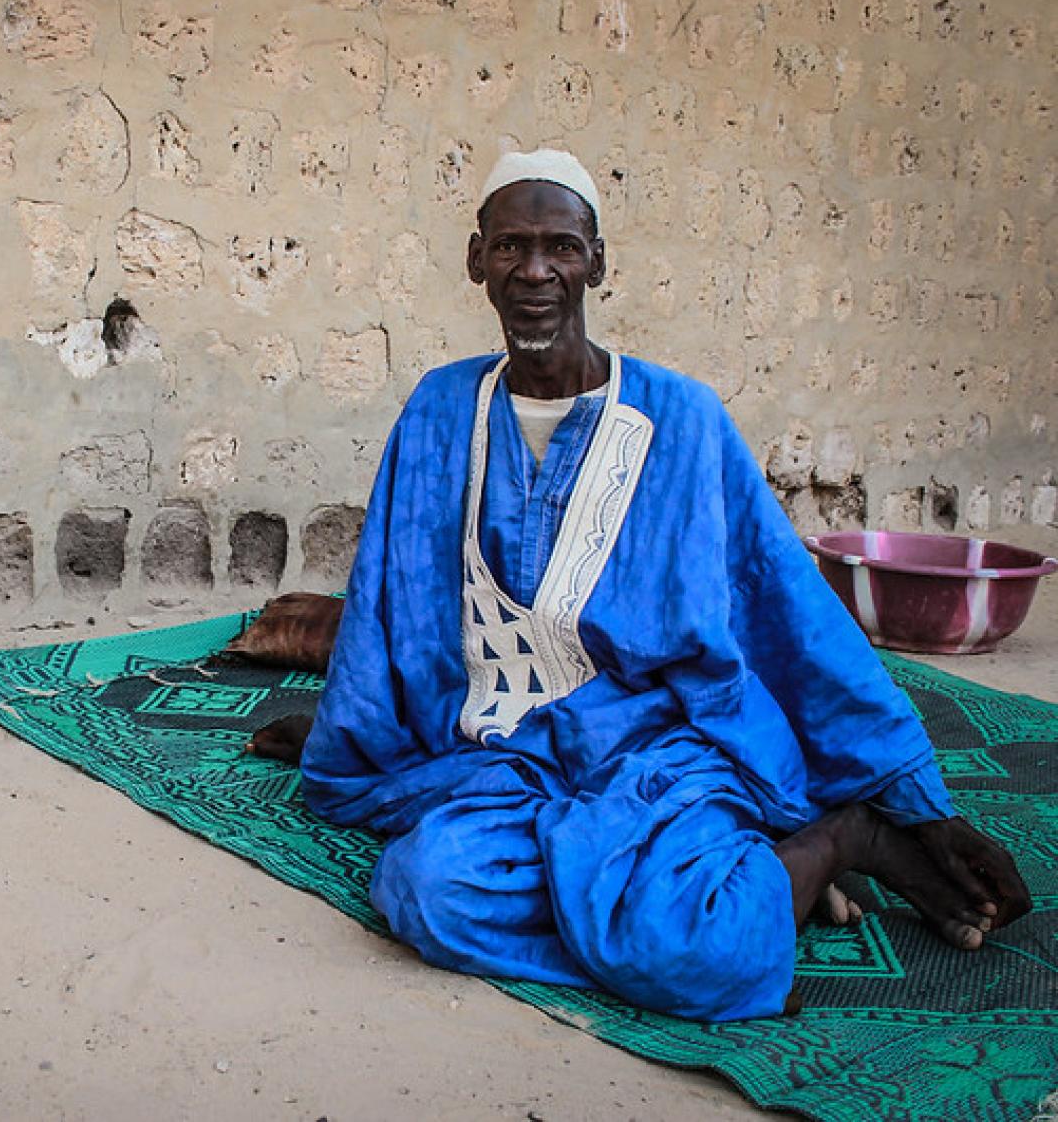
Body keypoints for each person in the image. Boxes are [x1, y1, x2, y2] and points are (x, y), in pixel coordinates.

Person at [296, 148, 1030, 1021]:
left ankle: (839, 841)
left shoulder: (684, 419)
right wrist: (354, 737)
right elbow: (389, 602)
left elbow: (784, 608)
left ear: (597, 262)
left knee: (702, 957)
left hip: (658, 750)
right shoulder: (440, 409)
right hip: (502, 761)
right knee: (425, 888)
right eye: (511, 247)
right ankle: (741, 876)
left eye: (561, 248)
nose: (536, 272)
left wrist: (916, 805)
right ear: (475, 261)